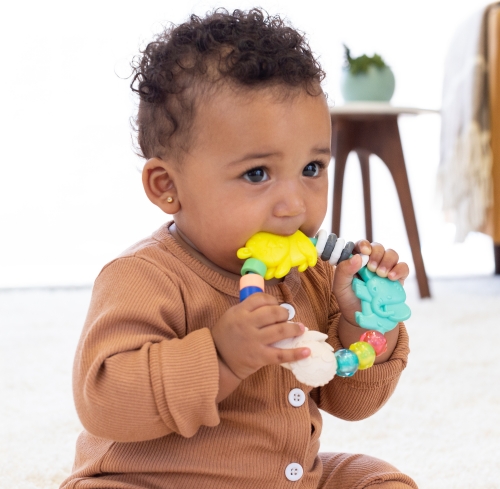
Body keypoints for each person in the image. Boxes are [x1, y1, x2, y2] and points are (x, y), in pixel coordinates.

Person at [60, 8, 417, 489]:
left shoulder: (311, 275)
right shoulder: (142, 277)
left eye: (312, 168)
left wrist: (363, 321)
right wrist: (221, 357)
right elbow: (104, 402)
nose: (294, 205)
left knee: (378, 479)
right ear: (167, 186)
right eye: (257, 174)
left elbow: (352, 404)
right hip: (150, 479)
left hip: (286, 478)